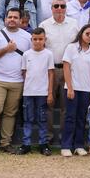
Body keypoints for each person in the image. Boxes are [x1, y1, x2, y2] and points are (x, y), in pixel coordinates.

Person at [0, 7, 32, 154]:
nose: (12, 20)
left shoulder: (27, 37)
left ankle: (5, 143)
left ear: (21, 20)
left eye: (15, 17)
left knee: (10, 113)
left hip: (18, 81)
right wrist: (6, 49)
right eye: (10, 17)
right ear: (5, 19)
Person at [40, 0, 78, 145]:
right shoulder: (44, 25)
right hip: (50, 69)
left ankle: (64, 137)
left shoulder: (74, 24)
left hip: (69, 69)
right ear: (51, 8)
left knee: (66, 105)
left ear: (66, 8)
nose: (59, 9)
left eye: (62, 6)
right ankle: (48, 137)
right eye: (56, 6)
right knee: (48, 104)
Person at [61, 24, 90, 156]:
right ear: (81, 33)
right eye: (87, 33)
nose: (89, 36)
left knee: (81, 118)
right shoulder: (71, 48)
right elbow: (66, 67)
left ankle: (78, 145)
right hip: (73, 88)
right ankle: (66, 146)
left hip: (86, 89)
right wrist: (70, 87)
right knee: (70, 117)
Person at [18, 27, 54, 155]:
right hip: (28, 92)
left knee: (42, 119)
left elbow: (50, 73)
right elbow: (24, 72)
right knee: (28, 119)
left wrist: (50, 92)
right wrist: (26, 88)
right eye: (35, 39)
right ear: (31, 39)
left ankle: (43, 144)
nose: (38, 41)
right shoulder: (26, 54)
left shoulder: (48, 54)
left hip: (42, 92)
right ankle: (26, 144)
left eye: (40, 39)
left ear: (45, 39)